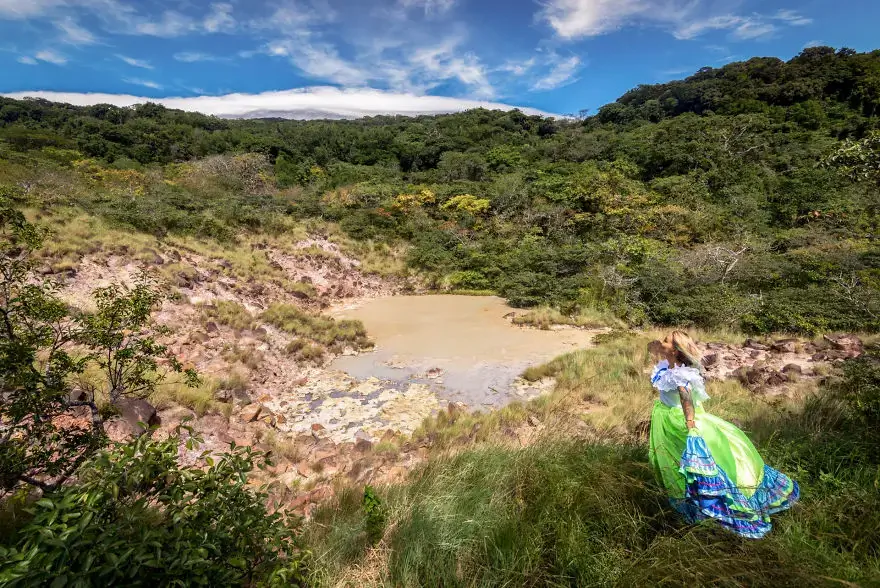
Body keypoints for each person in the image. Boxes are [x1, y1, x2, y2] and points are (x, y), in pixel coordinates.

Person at [647, 331, 799, 538]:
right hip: (665, 419)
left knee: (691, 462)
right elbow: (654, 350)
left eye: (666, 341)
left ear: (675, 349)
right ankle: (683, 501)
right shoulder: (667, 367)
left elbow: (686, 399)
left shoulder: (681, 374)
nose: (661, 342)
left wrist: (691, 426)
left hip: (678, 421)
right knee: (672, 459)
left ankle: (707, 507)